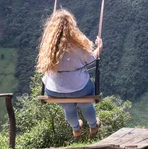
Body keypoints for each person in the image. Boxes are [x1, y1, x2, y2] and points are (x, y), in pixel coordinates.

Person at [37, 9, 103, 138]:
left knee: (68, 106)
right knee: (85, 103)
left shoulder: (48, 48)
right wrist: (99, 47)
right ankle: (93, 125)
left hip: (54, 91)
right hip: (80, 89)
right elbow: (92, 59)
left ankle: (76, 129)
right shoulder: (77, 46)